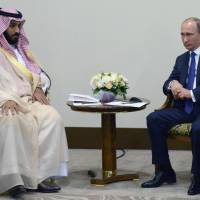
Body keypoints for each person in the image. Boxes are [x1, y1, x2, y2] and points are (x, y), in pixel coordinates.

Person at [0, 7, 69, 197]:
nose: (16, 31)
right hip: (5, 103)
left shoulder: (22, 52)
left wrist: (38, 87)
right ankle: (13, 180)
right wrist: (5, 99)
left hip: (27, 101)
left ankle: (39, 177)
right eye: (11, 26)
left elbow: (38, 75)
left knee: (51, 117)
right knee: (11, 119)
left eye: (18, 26)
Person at [141, 17, 200, 196]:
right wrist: (172, 84)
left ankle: (198, 175)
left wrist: (191, 93)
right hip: (183, 109)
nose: (185, 39)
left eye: (189, 34)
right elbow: (167, 82)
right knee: (154, 119)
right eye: (182, 35)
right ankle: (164, 171)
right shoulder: (181, 59)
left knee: (198, 129)